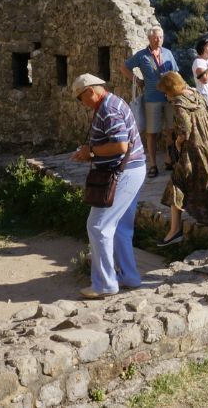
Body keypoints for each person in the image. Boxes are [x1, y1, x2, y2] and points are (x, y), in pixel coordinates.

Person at [70, 73, 147, 299]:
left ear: (90, 92)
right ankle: (129, 277)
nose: (82, 104)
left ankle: (105, 284)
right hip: (132, 170)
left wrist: (91, 152)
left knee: (98, 226)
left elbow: (121, 145)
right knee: (120, 228)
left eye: (80, 98)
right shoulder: (112, 102)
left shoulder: (107, 109)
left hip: (124, 174)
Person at [156, 71, 208, 245]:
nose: (165, 95)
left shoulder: (179, 103)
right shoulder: (197, 95)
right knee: (206, 182)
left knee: (177, 183)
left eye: (165, 91)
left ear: (171, 89)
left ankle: (175, 230)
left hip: (194, 148)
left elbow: (185, 130)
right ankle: (206, 219)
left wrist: (178, 143)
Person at [120, 26, 177, 178]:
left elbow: (176, 73)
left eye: (161, 37)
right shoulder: (142, 55)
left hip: (169, 97)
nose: (159, 40)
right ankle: (152, 164)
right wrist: (136, 80)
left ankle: (168, 159)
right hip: (152, 98)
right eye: (156, 37)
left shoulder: (168, 53)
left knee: (170, 130)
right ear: (150, 39)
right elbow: (124, 67)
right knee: (152, 133)